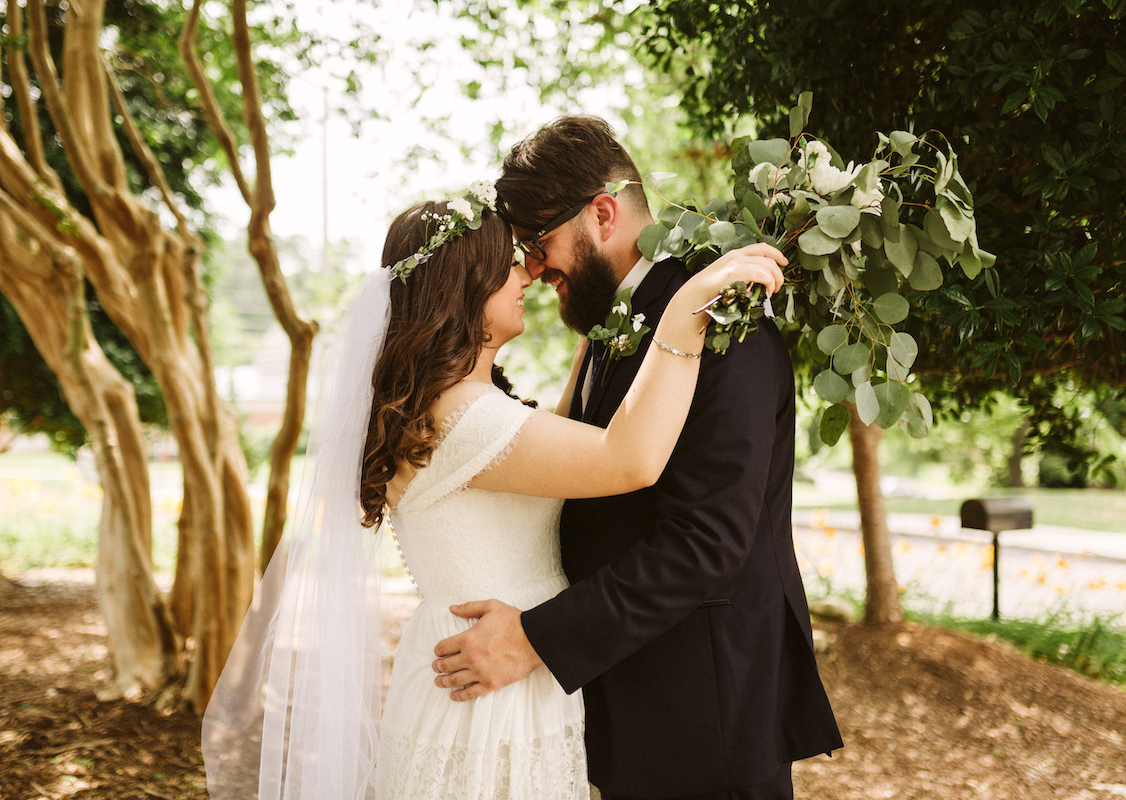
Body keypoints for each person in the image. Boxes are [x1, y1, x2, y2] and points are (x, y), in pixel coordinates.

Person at [201, 185, 788, 800]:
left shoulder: (458, 409)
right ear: (463, 285)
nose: (528, 271)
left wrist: (601, 318)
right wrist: (684, 311)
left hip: (494, 675)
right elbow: (626, 458)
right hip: (487, 697)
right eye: (508, 259)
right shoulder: (461, 418)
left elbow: (560, 441)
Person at [429, 116, 844, 800]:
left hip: (705, 714)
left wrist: (537, 639)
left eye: (538, 241)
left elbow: (706, 542)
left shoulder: (719, 319)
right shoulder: (618, 324)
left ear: (602, 213)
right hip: (633, 703)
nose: (531, 268)